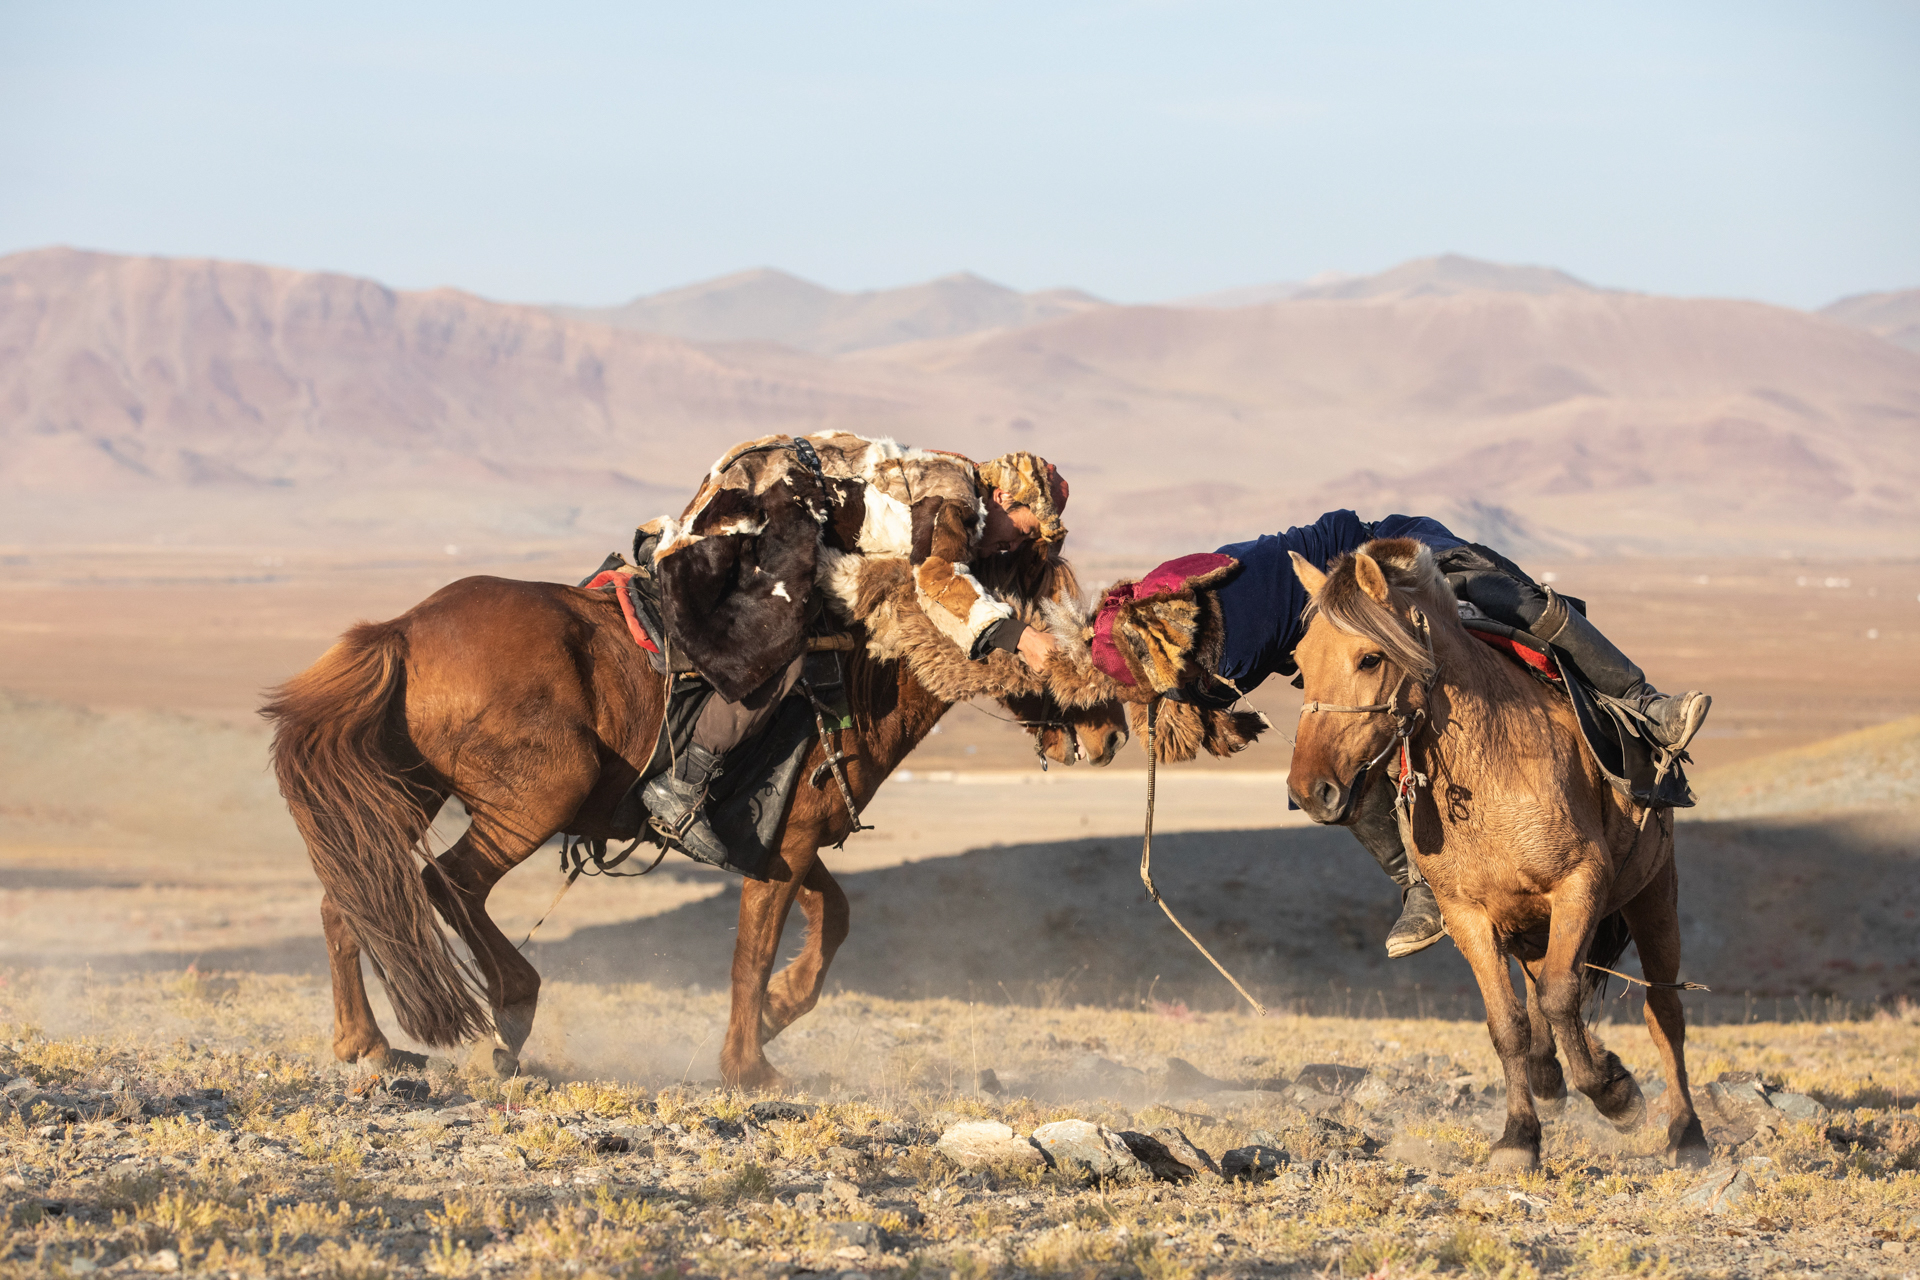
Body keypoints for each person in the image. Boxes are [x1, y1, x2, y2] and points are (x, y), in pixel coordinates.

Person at [1186, 510, 1709, 958]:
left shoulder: (1237, 632)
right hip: (1353, 605)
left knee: (1520, 607)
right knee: (1369, 732)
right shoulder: (1246, 614)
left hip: (1415, 557)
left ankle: (1645, 705)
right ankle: (1421, 883)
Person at [640, 432, 1070, 867]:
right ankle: (681, 782)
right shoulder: (954, 498)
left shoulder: (955, 482)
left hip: (780, 491)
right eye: (1022, 532)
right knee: (777, 646)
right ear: (1002, 497)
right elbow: (938, 580)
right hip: (771, 496)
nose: (1012, 546)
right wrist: (1020, 637)